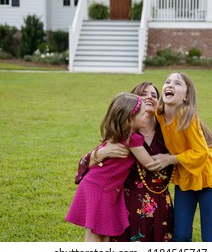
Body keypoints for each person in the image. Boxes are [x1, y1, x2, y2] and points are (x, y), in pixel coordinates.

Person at [80, 82, 174, 242]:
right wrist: (100, 153)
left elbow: (202, 146)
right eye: (144, 94)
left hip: (160, 202)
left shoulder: (168, 128)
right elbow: (85, 164)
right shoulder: (125, 132)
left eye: (154, 95)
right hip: (126, 202)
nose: (150, 97)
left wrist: (172, 158)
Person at [146, 72, 212, 242]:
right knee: (181, 235)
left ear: (185, 96)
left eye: (177, 84)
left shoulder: (187, 116)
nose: (170, 85)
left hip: (208, 177)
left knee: (210, 239)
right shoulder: (159, 116)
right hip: (185, 179)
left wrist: (169, 159)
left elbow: (201, 153)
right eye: (167, 81)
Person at [65, 92, 158, 242]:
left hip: (105, 188)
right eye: (142, 113)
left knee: (104, 233)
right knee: (95, 236)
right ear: (129, 120)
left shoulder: (120, 134)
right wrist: (172, 159)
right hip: (99, 188)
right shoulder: (132, 138)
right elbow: (149, 164)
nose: (146, 115)